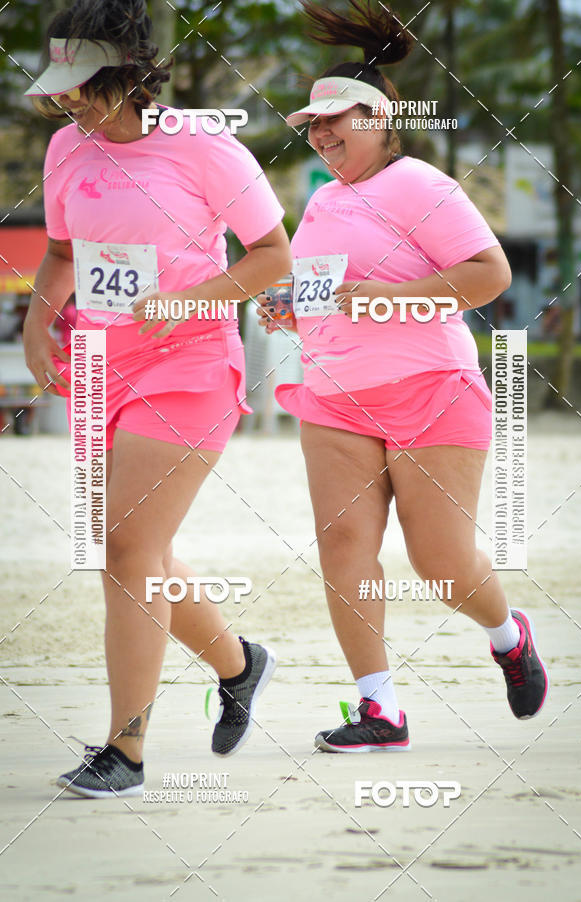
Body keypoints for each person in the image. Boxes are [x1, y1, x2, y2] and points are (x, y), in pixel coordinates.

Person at [258, 0, 548, 752]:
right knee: (343, 547)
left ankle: (508, 634)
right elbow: (325, 295)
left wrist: (383, 296)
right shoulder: (320, 201)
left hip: (431, 392)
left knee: (440, 565)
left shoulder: (420, 183)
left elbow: (489, 275)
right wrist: (288, 309)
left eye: (335, 121)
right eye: (313, 126)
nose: (322, 135)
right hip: (333, 397)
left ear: (380, 118)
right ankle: (379, 709)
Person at [23, 0, 291, 796]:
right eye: (59, 83)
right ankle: (241, 665)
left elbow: (273, 257)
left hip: (191, 362)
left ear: (128, 72)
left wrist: (189, 300)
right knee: (140, 549)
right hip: (100, 365)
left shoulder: (204, 146)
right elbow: (62, 253)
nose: (67, 99)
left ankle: (126, 752)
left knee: (125, 546)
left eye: (82, 82)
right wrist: (39, 320)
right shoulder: (65, 148)